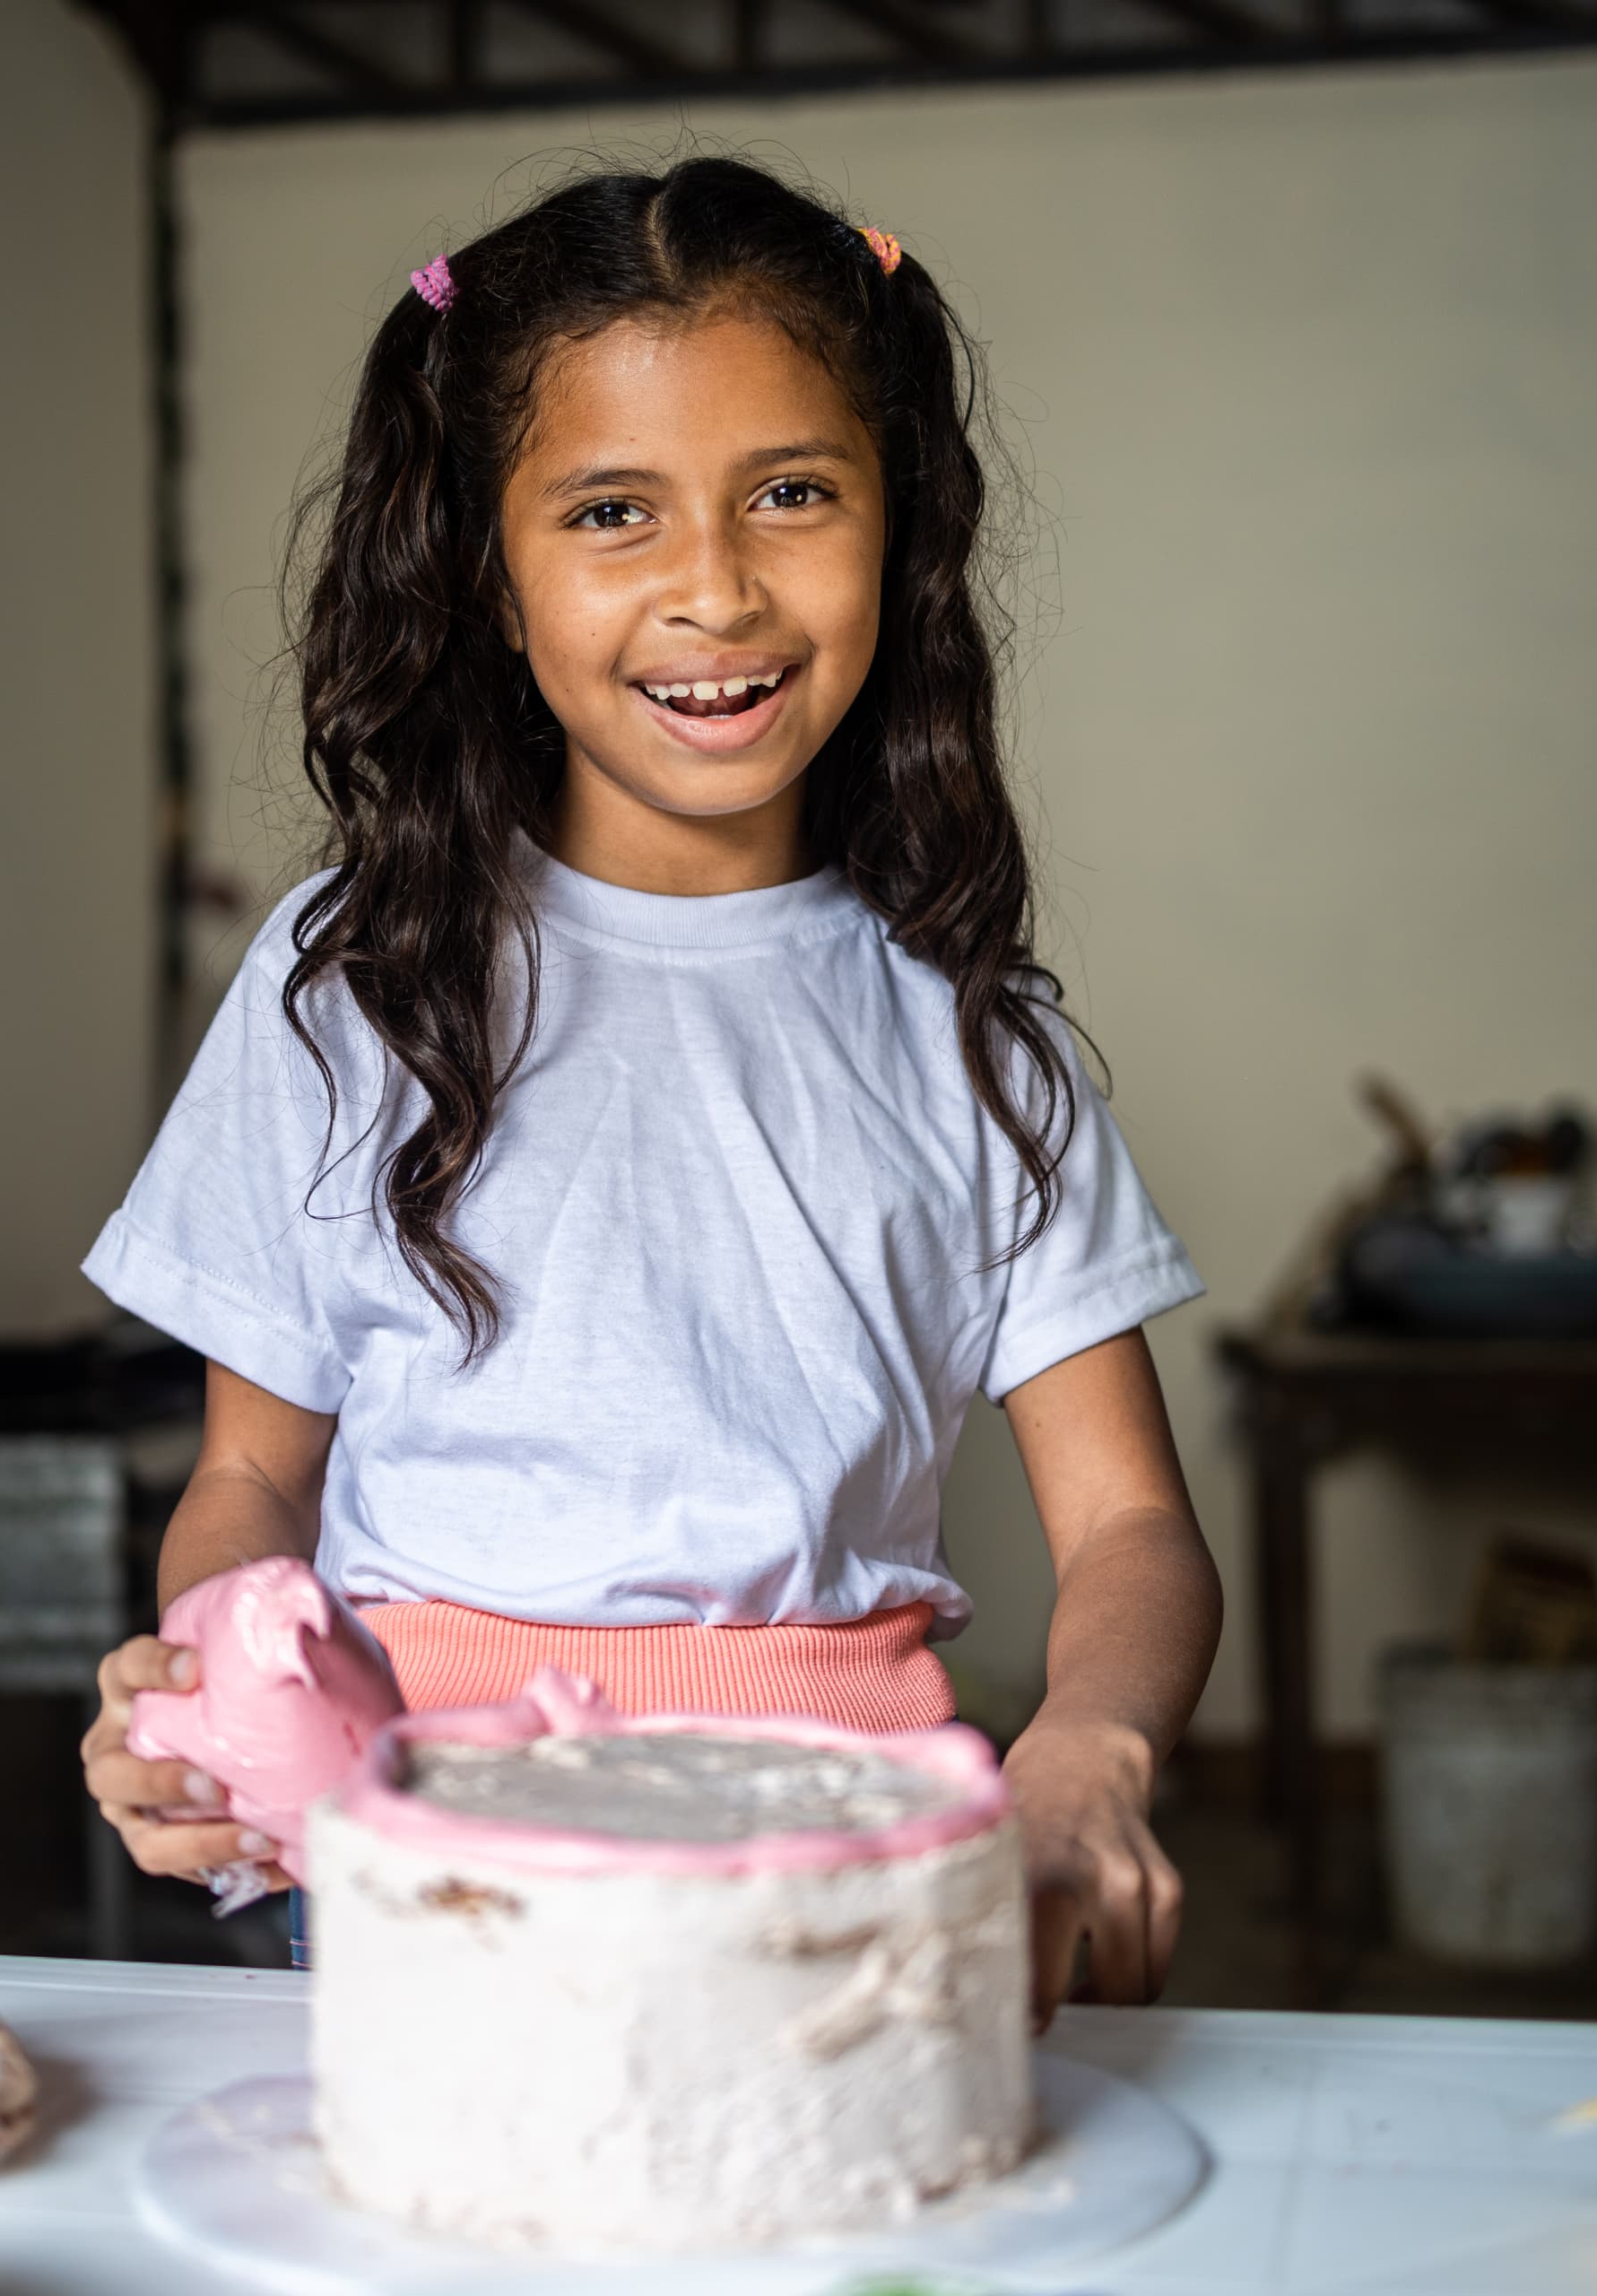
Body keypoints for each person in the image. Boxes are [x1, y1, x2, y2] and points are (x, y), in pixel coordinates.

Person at [80, 159, 1220, 2021]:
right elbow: (247, 1471)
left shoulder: (969, 1033)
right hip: (417, 1875)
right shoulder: (351, 981)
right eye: (613, 510)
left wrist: (1090, 1740)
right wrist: (204, 1676)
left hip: (845, 1876)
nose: (716, 585)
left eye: (792, 492)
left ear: (895, 524)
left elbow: (1129, 1529)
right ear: (485, 569)